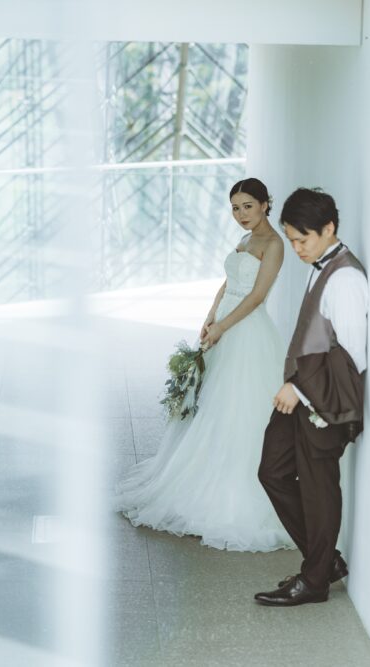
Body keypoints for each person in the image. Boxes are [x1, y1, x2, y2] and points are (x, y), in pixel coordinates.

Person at [116, 178, 295, 552]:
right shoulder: (245, 239)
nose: (240, 214)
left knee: (236, 408)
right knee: (210, 402)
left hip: (247, 331)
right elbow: (228, 284)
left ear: (265, 204)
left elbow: (257, 296)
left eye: (248, 206)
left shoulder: (274, 244)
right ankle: (196, 474)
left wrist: (224, 326)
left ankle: (230, 492)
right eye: (235, 208)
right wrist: (210, 316)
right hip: (224, 325)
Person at [254, 187, 368, 606]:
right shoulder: (319, 265)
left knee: (319, 491)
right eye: (292, 240)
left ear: (329, 229)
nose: (297, 249)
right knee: (272, 471)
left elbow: (353, 357)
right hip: (301, 395)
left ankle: (314, 580)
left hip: (325, 402)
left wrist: (300, 388)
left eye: (303, 240)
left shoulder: (347, 280)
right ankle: (325, 562)